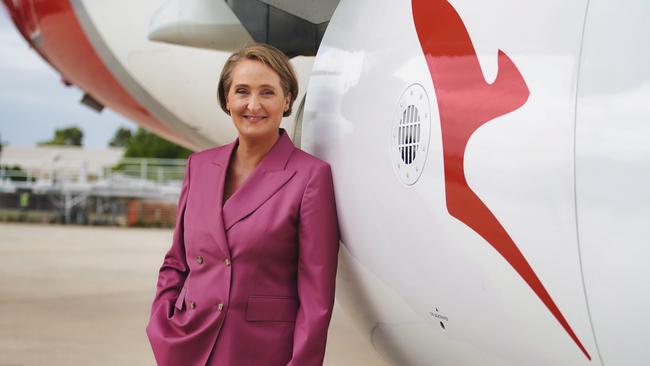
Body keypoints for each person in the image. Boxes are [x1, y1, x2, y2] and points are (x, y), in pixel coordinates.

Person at [145, 43, 340, 366]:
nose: (253, 105)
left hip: (261, 352)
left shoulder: (310, 177)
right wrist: (161, 324)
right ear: (227, 100)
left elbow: (316, 293)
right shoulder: (198, 166)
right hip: (188, 346)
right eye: (242, 91)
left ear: (287, 99)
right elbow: (176, 262)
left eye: (267, 92)